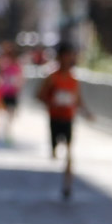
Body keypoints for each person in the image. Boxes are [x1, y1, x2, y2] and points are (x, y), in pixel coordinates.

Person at [35, 44, 94, 199]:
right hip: (54, 117)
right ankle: (54, 149)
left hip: (68, 118)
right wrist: (52, 102)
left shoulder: (74, 79)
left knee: (69, 152)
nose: (69, 59)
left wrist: (87, 113)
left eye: (71, 56)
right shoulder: (52, 77)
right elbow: (39, 95)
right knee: (55, 151)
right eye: (66, 56)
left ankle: (67, 185)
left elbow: (78, 99)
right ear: (60, 57)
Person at [0, 42, 24, 143]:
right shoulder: (4, 64)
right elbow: (0, 76)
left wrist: (18, 86)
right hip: (4, 92)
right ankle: (5, 129)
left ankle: (8, 129)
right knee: (4, 111)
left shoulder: (17, 65)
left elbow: (20, 78)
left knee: (11, 113)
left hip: (13, 92)